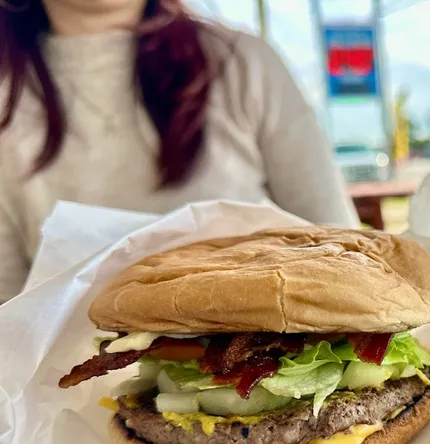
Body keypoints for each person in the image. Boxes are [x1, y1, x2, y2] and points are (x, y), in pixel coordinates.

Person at [0, 0, 360, 303]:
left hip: (267, 348)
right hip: (61, 380)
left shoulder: (241, 63)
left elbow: (340, 247)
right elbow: (9, 310)